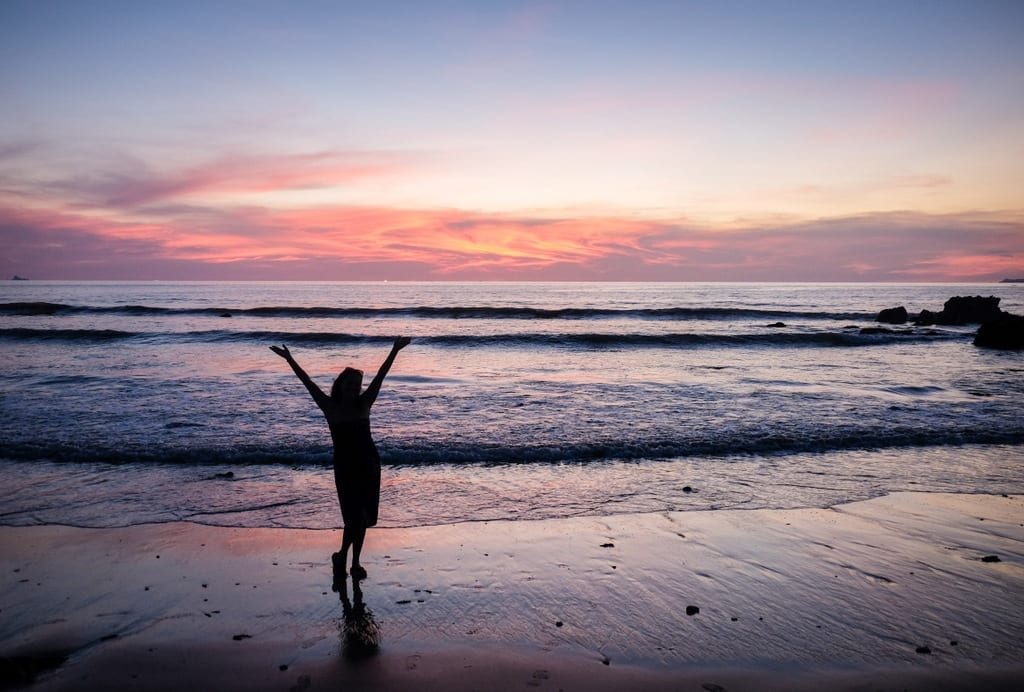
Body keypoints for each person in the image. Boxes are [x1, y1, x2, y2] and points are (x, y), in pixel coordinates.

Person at [271, 337, 411, 579]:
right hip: (346, 467)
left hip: (369, 463)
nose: (355, 388)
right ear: (341, 384)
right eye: (350, 383)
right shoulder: (329, 406)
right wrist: (290, 359)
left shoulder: (365, 403)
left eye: (357, 384)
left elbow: (381, 376)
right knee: (353, 518)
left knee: (364, 517)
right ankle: (343, 557)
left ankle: (353, 561)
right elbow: (307, 382)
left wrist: (394, 350)